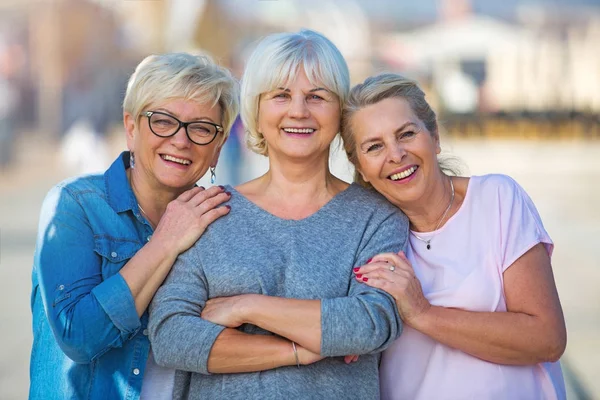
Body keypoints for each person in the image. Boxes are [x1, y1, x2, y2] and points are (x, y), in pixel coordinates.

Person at [149, 30, 407, 400]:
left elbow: (370, 324)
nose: (298, 110)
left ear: (339, 112)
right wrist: (300, 349)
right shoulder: (209, 211)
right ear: (256, 109)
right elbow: (172, 336)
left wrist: (244, 306)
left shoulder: (376, 217)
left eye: (317, 96)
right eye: (281, 95)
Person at [341, 73, 567, 400]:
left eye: (406, 134)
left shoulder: (497, 199)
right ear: (359, 166)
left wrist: (421, 313)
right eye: (374, 146)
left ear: (434, 137)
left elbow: (547, 338)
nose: (395, 154)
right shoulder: (365, 240)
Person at [29, 52, 239, 399]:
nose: (181, 140)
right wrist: (166, 241)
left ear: (217, 149)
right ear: (131, 127)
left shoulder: (221, 219)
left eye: (201, 128)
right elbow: (78, 336)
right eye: (163, 121)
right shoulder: (74, 205)